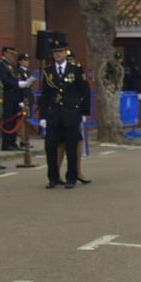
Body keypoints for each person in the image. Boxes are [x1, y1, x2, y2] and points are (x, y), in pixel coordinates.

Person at [39, 43, 89, 189]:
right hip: (54, 114)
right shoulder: (48, 71)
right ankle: (53, 178)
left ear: (66, 53)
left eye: (60, 52)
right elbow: (45, 95)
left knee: (72, 147)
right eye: (55, 52)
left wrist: (84, 112)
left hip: (71, 114)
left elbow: (84, 92)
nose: (58, 55)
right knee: (51, 147)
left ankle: (72, 177)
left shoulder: (76, 70)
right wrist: (42, 116)